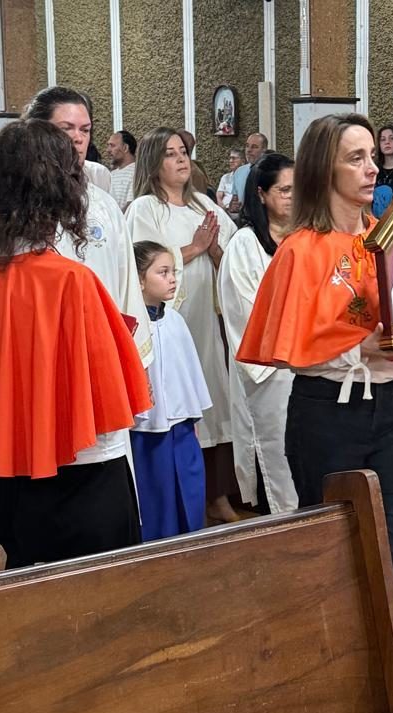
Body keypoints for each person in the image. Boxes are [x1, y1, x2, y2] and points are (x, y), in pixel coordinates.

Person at [236, 113, 393, 713]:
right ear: (324, 168)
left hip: (387, 410)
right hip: (325, 413)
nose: (371, 169)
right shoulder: (301, 249)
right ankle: (332, 707)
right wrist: (360, 343)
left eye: (372, 156)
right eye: (355, 158)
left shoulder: (387, 237)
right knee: (334, 565)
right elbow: (291, 342)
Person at [0, 119, 152, 568]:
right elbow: (113, 393)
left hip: (10, 479)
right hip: (86, 479)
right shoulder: (71, 280)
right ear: (62, 190)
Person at [125, 127, 239, 523]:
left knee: (213, 397)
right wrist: (193, 248)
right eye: (170, 154)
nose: (181, 159)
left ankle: (217, 494)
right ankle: (174, 500)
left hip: (207, 319)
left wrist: (215, 249)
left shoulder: (203, 204)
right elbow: (139, 262)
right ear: (153, 163)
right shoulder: (145, 208)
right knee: (173, 404)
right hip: (166, 324)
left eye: (183, 152)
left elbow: (233, 256)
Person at [24, 86, 152, 370]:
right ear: (36, 132)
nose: (78, 138)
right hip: (38, 354)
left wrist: (137, 364)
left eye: (85, 130)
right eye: (66, 128)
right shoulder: (10, 206)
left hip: (99, 350)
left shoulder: (102, 205)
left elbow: (126, 285)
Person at [218, 153, 298, 514]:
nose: (293, 197)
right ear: (261, 194)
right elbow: (248, 316)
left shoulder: (303, 240)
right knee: (277, 461)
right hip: (271, 373)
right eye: (285, 190)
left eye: (297, 189)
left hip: (311, 369)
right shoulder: (245, 245)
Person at [130, 241, 211, 541]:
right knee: (157, 498)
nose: (172, 279)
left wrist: (192, 415)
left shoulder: (176, 320)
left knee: (190, 490)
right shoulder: (132, 326)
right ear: (139, 280)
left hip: (182, 428)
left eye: (173, 272)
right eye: (163, 272)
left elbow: (189, 373)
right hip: (146, 430)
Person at [233, 132, 268, 204]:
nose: (249, 150)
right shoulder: (239, 172)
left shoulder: (271, 172)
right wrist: (233, 205)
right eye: (247, 146)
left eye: (254, 147)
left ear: (264, 149)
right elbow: (235, 199)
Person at [107, 129, 137, 211]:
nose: (108, 150)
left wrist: (114, 218)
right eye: (108, 145)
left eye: (112, 146)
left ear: (125, 148)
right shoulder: (111, 174)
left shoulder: (137, 172)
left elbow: (131, 205)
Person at [216, 147, 244, 220]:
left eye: (234, 158)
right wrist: (222, 208)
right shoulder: (225, 177)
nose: (231, 161)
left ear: (242, 161)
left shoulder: (247, 177)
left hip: (239, 212)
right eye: (230, 158)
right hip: (224, 211)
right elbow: (218, 196)